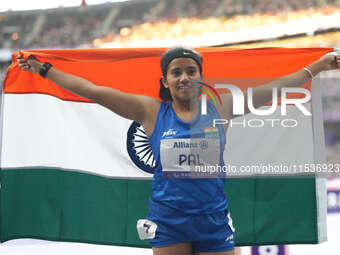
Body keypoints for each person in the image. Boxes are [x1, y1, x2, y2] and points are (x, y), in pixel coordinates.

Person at [17, 47, 340, 255]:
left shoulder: (222, 105)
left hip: (213, 218)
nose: (184, 76)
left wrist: (317, 66)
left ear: (201, 77)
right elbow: (94, 91)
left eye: (191, 70)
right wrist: (44, 70)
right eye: (176, 72)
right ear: (165, 80)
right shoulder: (150, 110)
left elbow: (276, 88)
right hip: (168, 220)